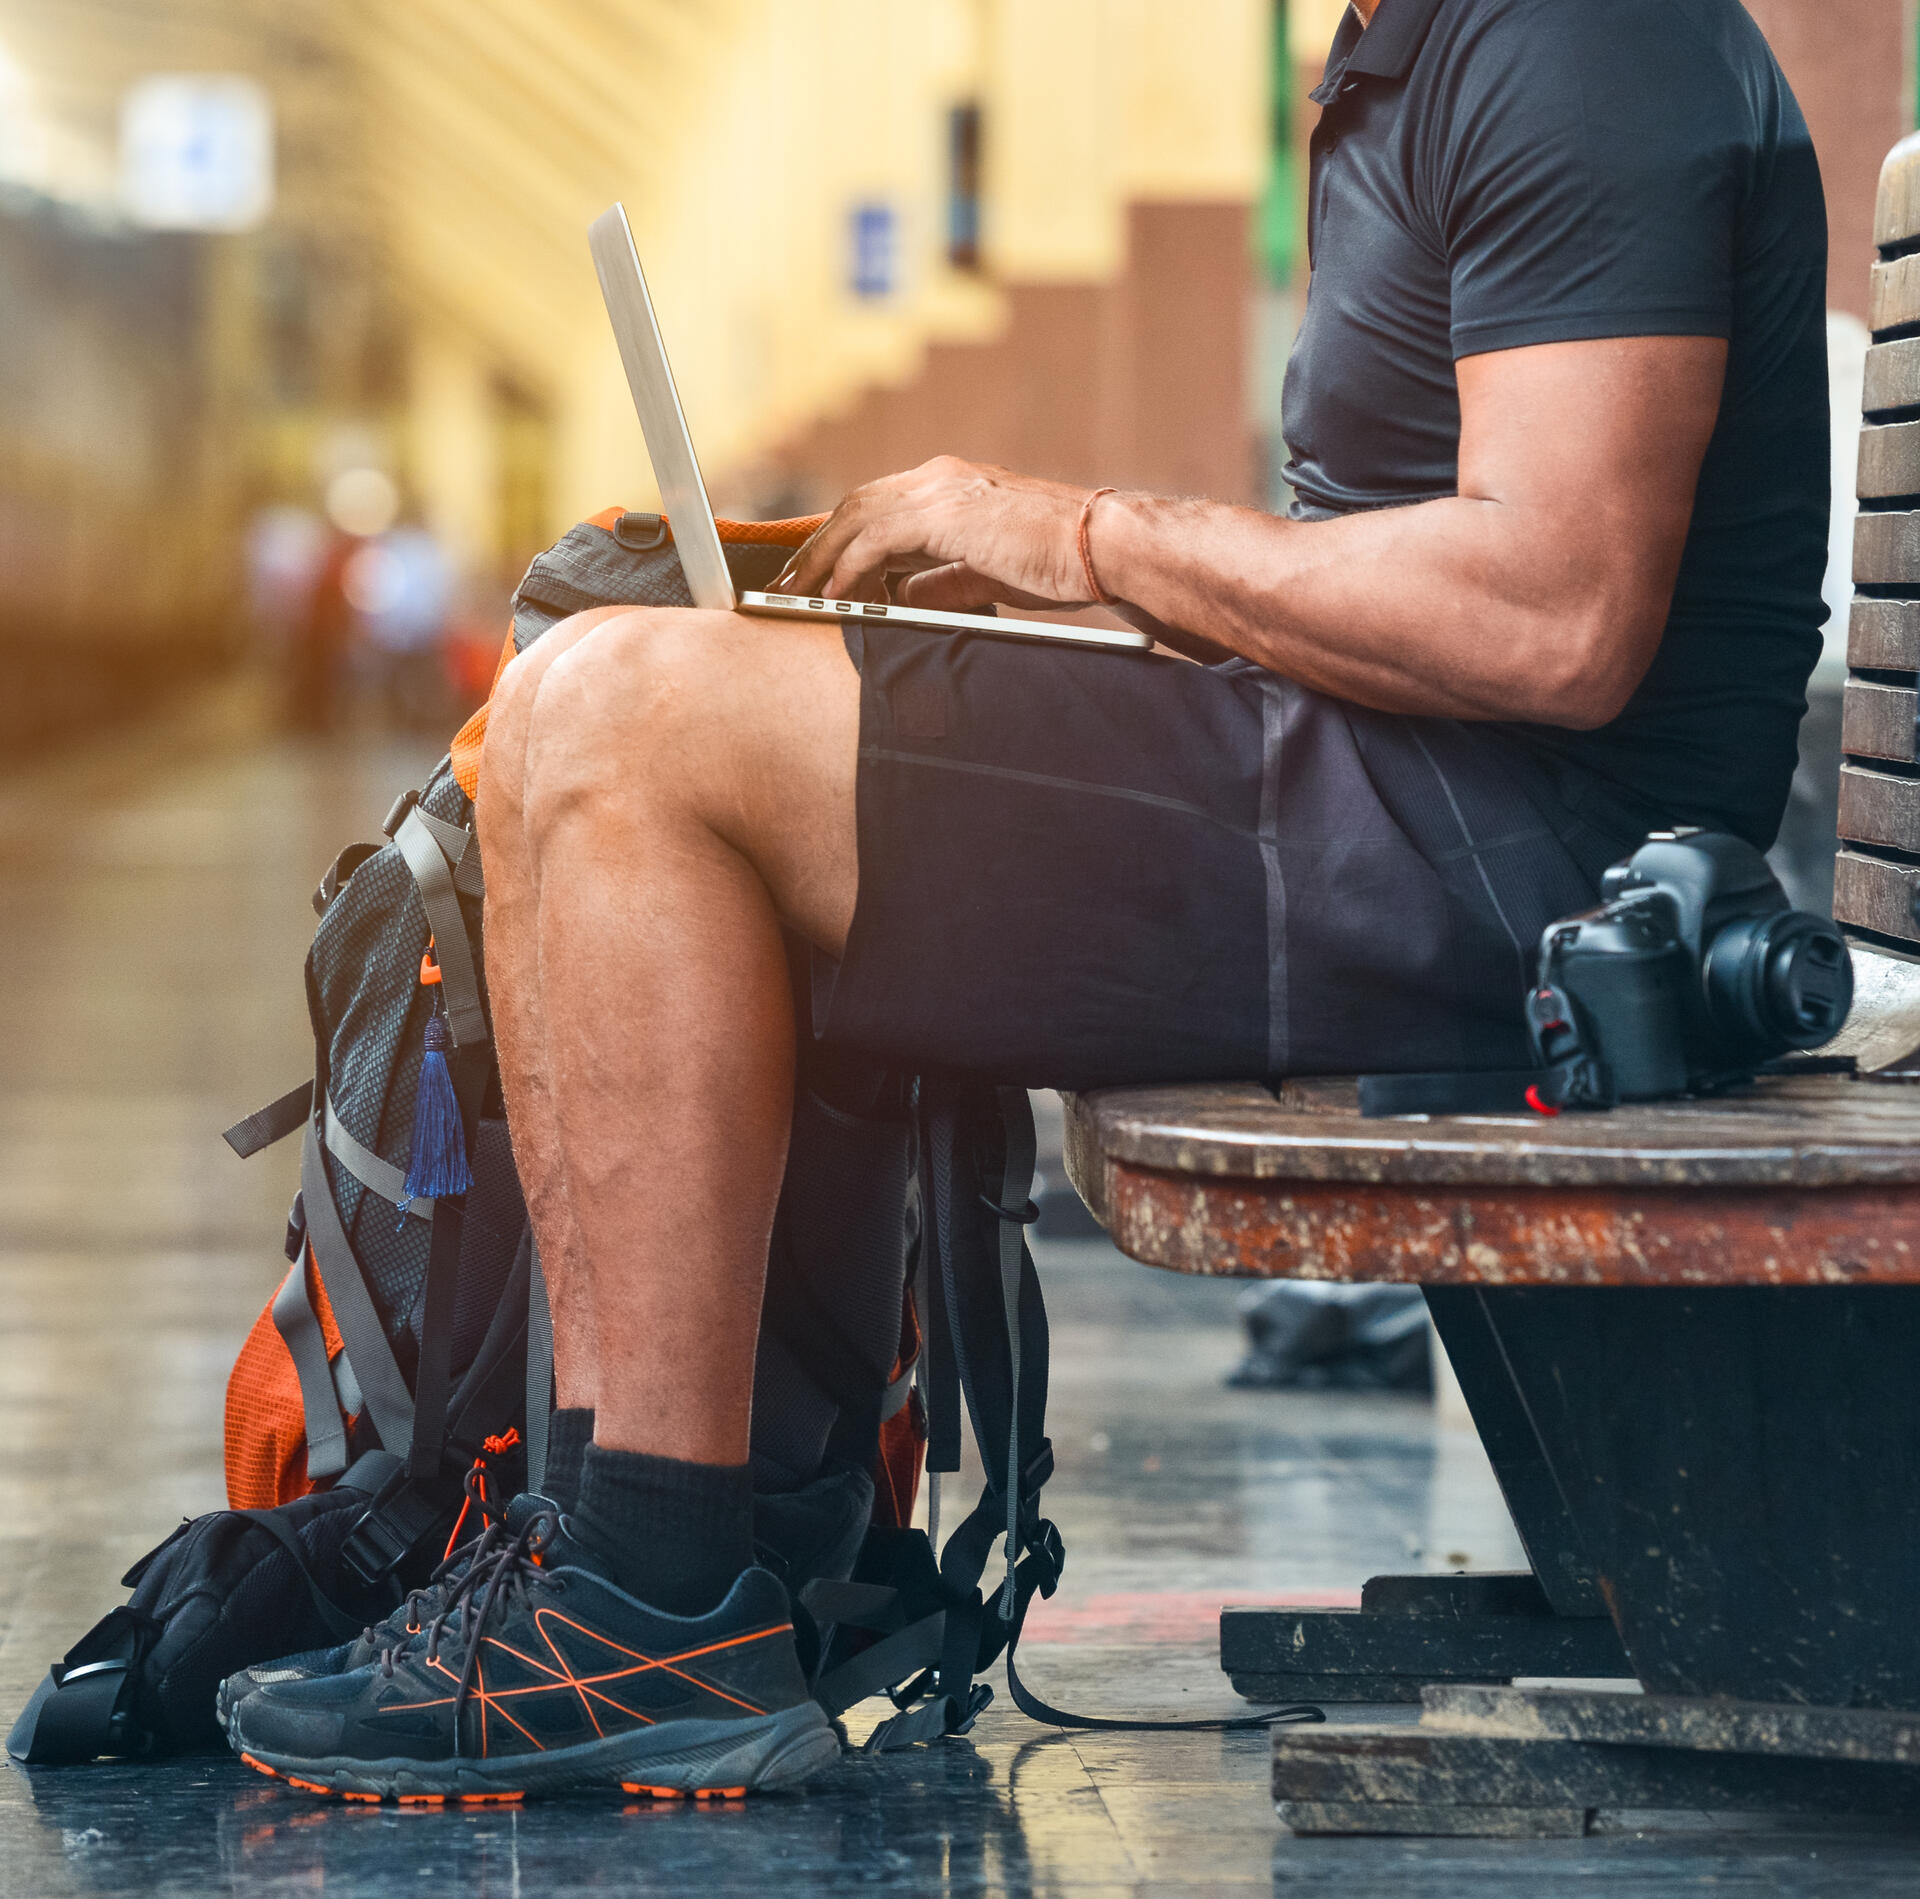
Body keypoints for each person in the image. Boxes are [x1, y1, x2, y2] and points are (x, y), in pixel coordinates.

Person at [230, 0, 1829, 1799]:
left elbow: (1553, 611)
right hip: (1389, 786)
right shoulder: (1414, 48)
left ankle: (651, 1595)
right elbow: (1385, 558)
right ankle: (640, 1541)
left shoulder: (1576, 33)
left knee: (624, 722)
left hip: (1534, 877)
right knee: (571, 698)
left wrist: (1078, 536)